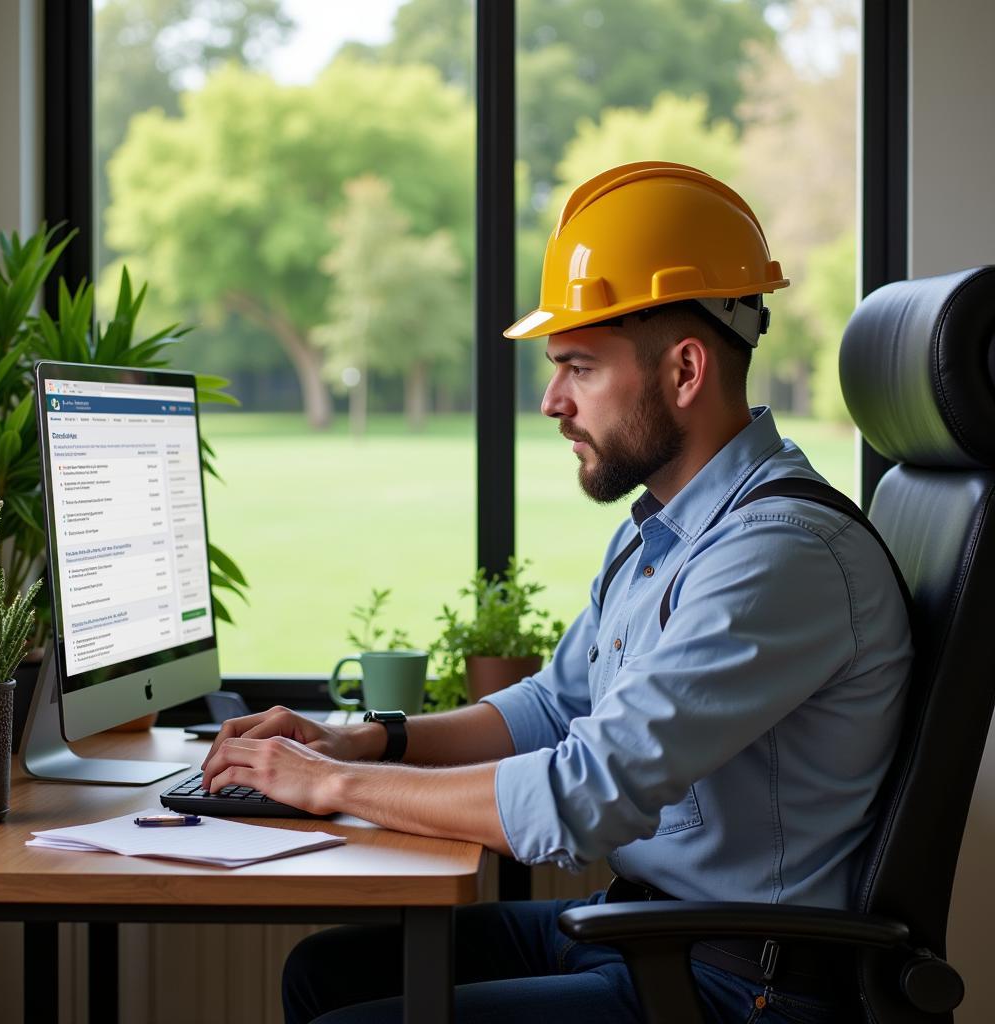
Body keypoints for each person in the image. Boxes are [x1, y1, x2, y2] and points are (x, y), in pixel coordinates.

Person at [201, 162, 913, 1023]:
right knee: (330, 974)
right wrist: (357, 743)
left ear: (685, 371)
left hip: (737, 982)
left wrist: (328, 786)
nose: (550, 402)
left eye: (578, 366)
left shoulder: (779, 557)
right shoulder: (667, 529)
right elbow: (550, 705)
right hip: (650, 928)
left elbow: (580, 795)